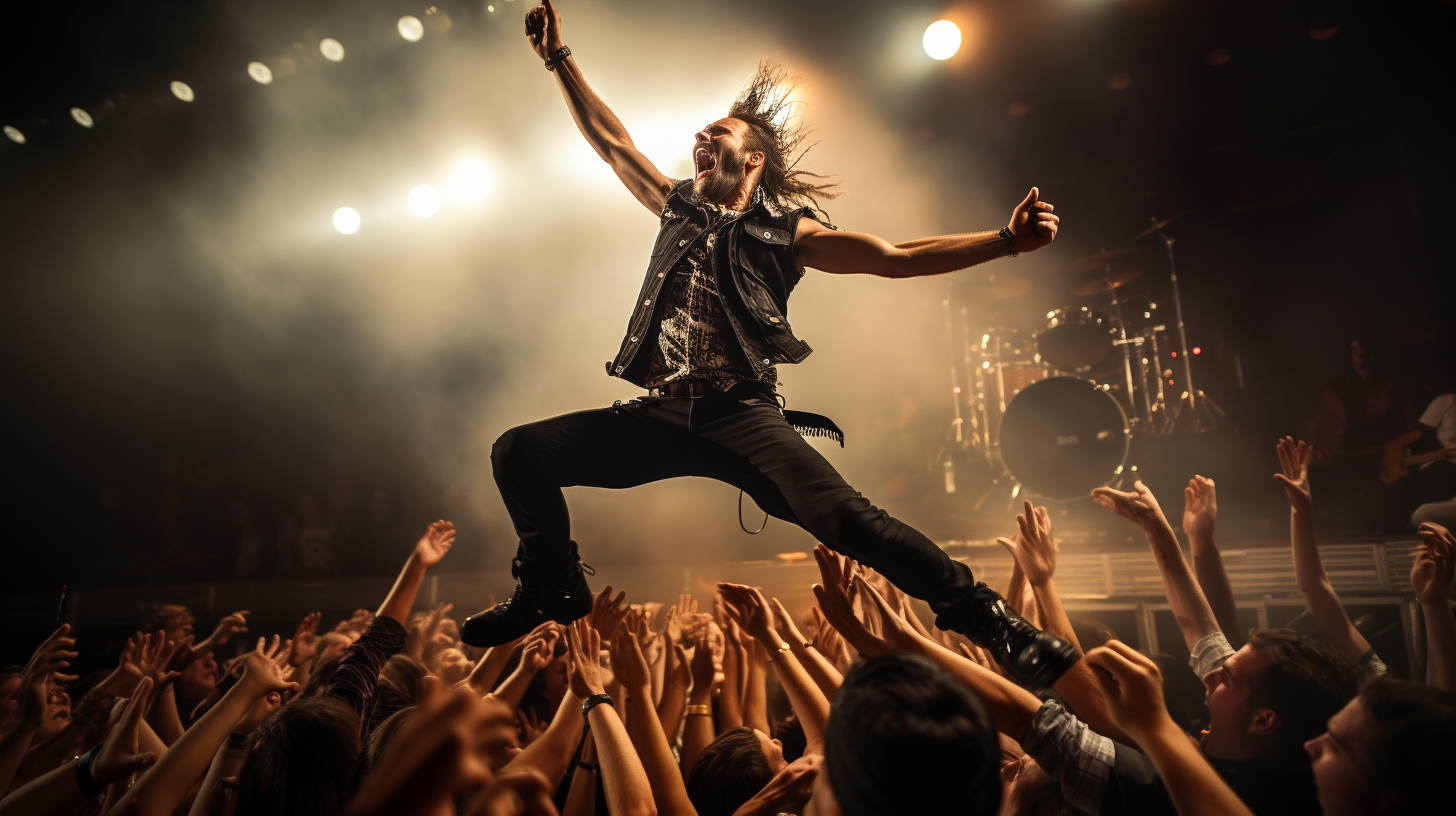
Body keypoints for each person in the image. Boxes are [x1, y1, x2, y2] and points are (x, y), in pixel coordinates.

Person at [461, 0, 1075, 688]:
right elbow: (611, 142)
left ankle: (991, 619)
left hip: (742, 415)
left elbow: (895, 255)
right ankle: (551, 582)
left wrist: (1005, 242)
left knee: (849, 520)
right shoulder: (676, 205)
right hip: (664, 414)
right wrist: (558, 60)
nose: (699, 135)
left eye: (715, 132)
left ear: (751, 159)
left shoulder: (790, 232)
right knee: (519, 452)